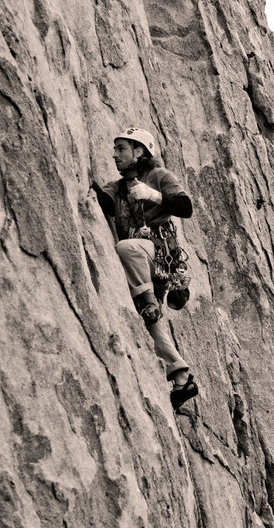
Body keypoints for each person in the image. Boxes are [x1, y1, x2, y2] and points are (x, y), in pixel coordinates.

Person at [91, 127, 198, 411]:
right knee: (150, 323)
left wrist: (154, 195)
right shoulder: (118, 188)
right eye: (115, 150)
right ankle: (181, 377)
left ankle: (149, 299)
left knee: (127, 247)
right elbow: (105, 203)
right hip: (143, 266)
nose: (115, 155)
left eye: (122, 149)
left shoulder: (159, 177)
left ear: (139, 151)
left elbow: (185, 207)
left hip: (158, 255)